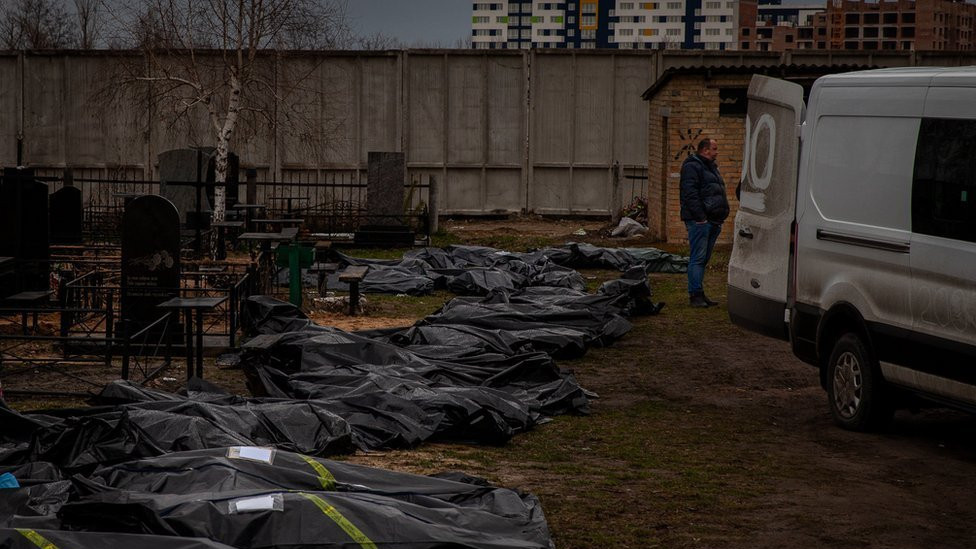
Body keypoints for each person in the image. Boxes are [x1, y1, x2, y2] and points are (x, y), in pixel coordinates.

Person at [680, 137, 730, 308]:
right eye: (714, 149)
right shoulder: (692, 167)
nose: (717, 152)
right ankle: (695, 295)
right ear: (705, 150)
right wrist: (701, 218)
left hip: (713, 221)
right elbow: (690, 194)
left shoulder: (710, 167)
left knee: (703, 258)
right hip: (700, 222)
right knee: (698, 258)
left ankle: (699, 292)